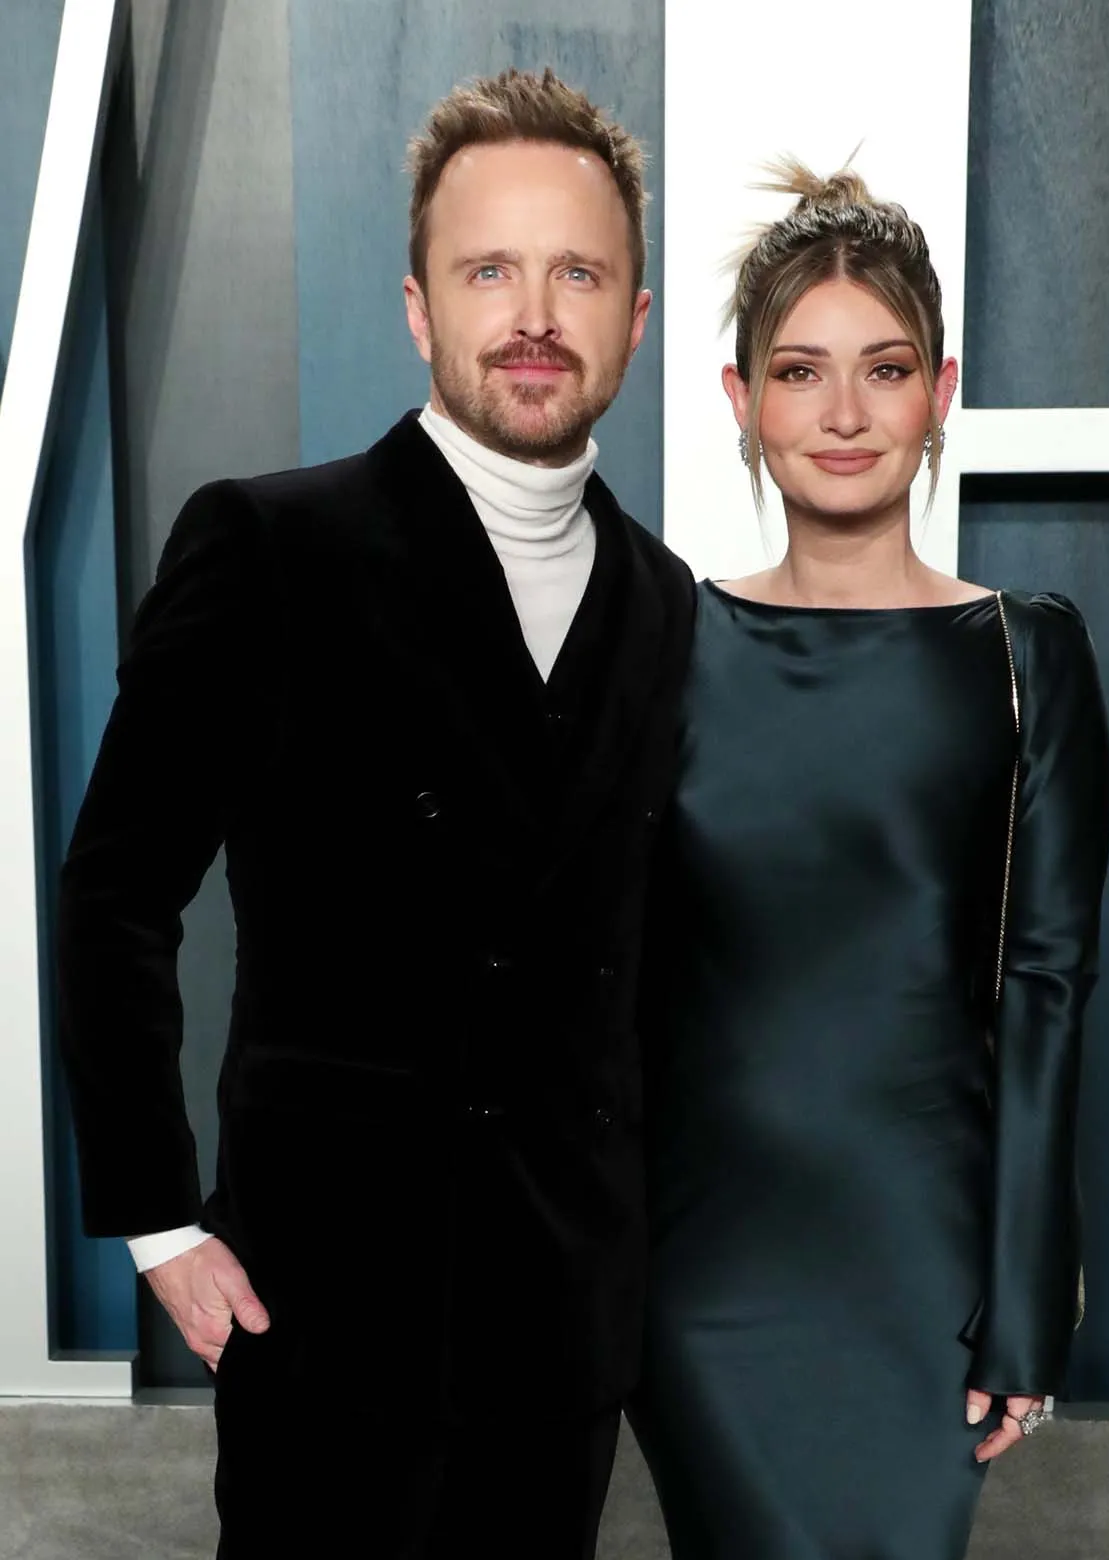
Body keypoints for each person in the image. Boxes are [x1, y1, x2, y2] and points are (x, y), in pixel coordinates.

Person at [57, 68, 694, 1559]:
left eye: (577, 274)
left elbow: (647, 962)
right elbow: (116, 890)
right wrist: (159, 1222)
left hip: (565, 1336)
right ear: (418, 307)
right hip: (327, 1317)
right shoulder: (271, 546)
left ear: (635, 319)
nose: (533, 314)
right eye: (488, 270)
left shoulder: (664, 602)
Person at [629, 163, 1109, 1560]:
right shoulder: (663, 647)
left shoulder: (1028, 654)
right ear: (741, 400)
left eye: (885, 369)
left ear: (940, 391)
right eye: (800, 371)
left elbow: (1047, 992)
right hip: (701, 1274)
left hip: (926, 1277)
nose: (844, 413)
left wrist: (1028, 1293)